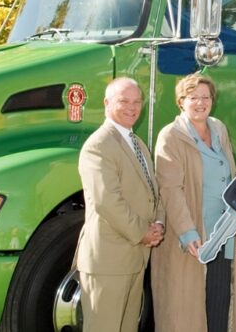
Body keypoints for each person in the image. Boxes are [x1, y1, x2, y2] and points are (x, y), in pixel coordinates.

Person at [152, 74, 236, 332]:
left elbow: (231, 174)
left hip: (223, 236)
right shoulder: (171, 135)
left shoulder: (218, 128)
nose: (201, 103)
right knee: (186, 313)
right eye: (193, 98)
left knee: (219, 306)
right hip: (193, 240)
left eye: (206, 97)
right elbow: (170, 189)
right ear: (181, 101)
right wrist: (187, 233)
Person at [76, 77, 165, 332]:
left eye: (137, 101)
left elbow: (153, 192)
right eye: (124, 101)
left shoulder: (137, 144)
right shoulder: (98, 145)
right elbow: (107, 201)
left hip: (134, 259)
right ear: (106, 103)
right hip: (108, 261)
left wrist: (158, 223)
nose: (132, 107)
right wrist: (143, 232)